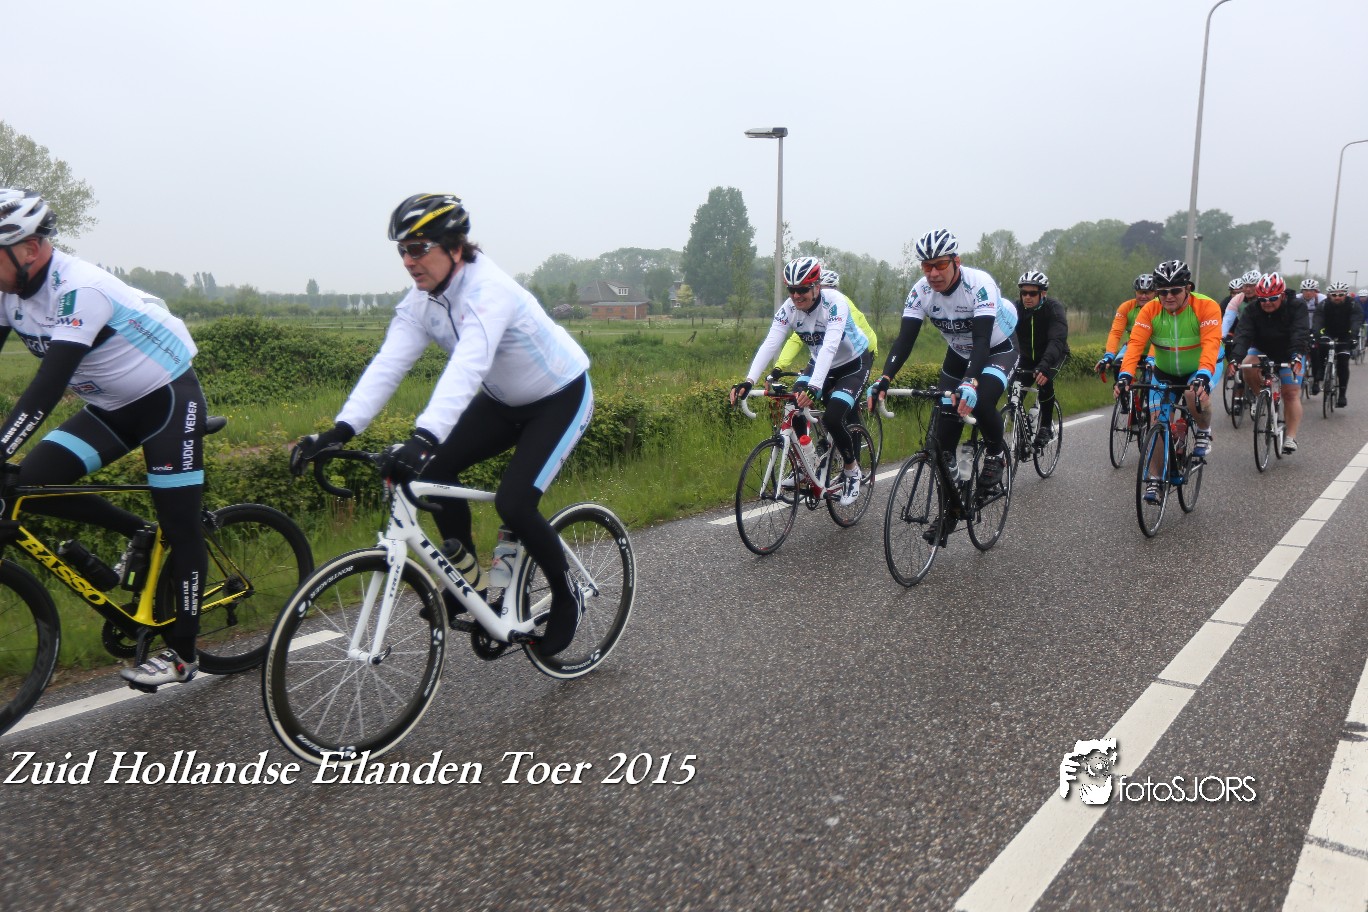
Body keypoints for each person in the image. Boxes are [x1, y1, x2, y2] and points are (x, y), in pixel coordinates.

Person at [293, 193, 593, 656]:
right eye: (402, 250)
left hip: (560, 396)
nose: (408, 260)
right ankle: (468, 578)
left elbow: (468, 366)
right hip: (503, 401)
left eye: (418, 248)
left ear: (455, 247)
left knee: (515, 503)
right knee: (433, 471)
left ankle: (566, 593)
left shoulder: (488, 291)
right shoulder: (423, 301)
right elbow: (389, 364)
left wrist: (423, 437)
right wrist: (340, 430)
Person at [0, 189, 207, 688]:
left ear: (30, 249)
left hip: (167, 401)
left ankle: (183, 654)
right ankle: (136, 531)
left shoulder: (81, 289)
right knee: (32, 482)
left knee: (180, 524)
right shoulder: (7, 294)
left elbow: (48, 385)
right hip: (111, 409)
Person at [868, 229, 1019, 534]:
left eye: (939, 265)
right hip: (959, 354)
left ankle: (996, 453)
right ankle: (951, 509)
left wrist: (971, 382)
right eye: (927, 266)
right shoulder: (920, 292)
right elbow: (904, 341)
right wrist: (884, 378)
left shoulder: (980, 285)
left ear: (956, 262)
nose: (933, 273)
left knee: (982, 401)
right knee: (941, 443)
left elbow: (981, 340)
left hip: (997, 349)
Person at [729, 256, 872, 506]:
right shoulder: (789, 309)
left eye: (803, 289)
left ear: (816, 286)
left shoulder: (835, 303)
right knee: (793, 406)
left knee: (833, 417)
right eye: (792, 290)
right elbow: (771, 342)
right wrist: (749, 380)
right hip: (819, 364)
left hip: (853, 365)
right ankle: (809, 464)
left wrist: (814, 387)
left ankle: (852, 471)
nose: (796, 296)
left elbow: (830, 346)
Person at [1115, 260, 1222, 502]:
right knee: (1158, 421)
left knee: (1193, 394)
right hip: (1164, 371)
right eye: (1163, 292)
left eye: (1175, 290)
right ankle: (1155, 480)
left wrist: (1204, 375)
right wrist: (1125, 375)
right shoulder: (1150, 310)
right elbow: (1135, 345)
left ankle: (1203, 429)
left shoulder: (1206, 306)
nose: (1169, 296)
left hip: (1199, 368)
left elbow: (1211, 343)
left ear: (1188, 288)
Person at [1231, 272, 1310, 453]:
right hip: (1263, 349)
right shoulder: (1252, 309)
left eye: (1272, 298)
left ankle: (1290, 437)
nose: (1267, 303)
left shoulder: (1297, 306)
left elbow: (1300, 332)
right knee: (1247, 364)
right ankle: (1261, 397)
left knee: (1290, 393)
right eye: (1262, 299)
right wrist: (1235, 358)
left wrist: (1297, 356)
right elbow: (1243, 335)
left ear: (1282, 295)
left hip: (1290, 351)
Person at [770, 268, 878, 379]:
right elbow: (796, 339)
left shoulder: (841, 304)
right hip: (833, 352)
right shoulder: (812, 308)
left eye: (824, 289)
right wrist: (779, 366)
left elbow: (844, 337)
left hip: (863, 350)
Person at [1012, 270, 1069, 447]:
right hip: (1027, 357)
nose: (1027, 297)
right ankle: (1021, 427)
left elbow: (1057, 340)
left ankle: (1045, 426)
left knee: (1044, 381)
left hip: (1053, 354)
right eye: (1024, 293)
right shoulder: (1015, 309)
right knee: (1014, 389)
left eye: (1032, 293)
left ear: (1043, 293)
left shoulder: (1053, 309)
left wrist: (1044, 366)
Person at [1097, 274, 1156, 386]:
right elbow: (1115, 333)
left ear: (1155, 293)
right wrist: (1108, 356)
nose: (1143, 296)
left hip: (1156, 350)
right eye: (1140, 292)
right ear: (1135, 292)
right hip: (1133, 348)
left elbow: (1159, 338)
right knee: (1118, 367)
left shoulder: (1160, 309)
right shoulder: (1126, 307)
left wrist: (1151, 357)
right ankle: (1124, 395)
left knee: (1151, 381)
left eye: (1147, 293)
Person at [1311, 281, 1363, 408]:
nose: (1337, 297)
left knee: (1343, 362)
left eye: (1340, 295)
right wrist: (1317, 335)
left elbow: (1356, 321)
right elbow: (1317, 321)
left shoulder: (1353, 304)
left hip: (1345, 335)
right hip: (1328, 332)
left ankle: (1342, 395)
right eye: (1334, 295)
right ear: (1329, 295)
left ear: (1346, 295)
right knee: (1321, 347)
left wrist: (1353, 336)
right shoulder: (1324, 305)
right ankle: (1321, 371)